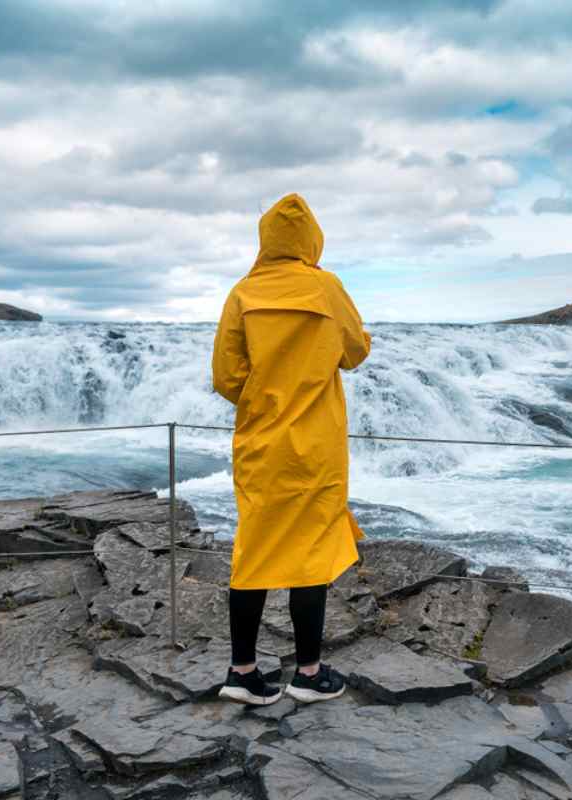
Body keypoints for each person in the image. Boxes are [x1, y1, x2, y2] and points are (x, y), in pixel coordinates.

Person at [211, 194, 371, 705]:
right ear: (310, 239)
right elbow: (355, 352)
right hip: (317, 445)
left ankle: (243, 672)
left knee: (252, 548)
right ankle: (308, 672)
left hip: (261, 441)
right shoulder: (325, 287)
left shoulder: (242, 292)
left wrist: (264, 399)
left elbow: (226, 376)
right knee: (313, 550)